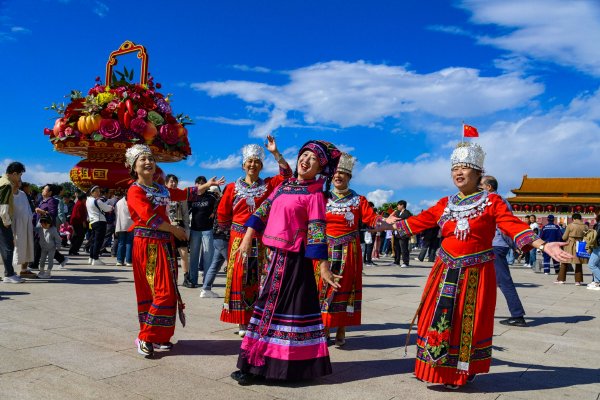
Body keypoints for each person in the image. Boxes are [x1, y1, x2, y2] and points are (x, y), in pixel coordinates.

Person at [393, 142, 571, 389]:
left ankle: (463, 370)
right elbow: (417, 222)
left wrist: (543, 244)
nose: (459, 172)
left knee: (468, 321)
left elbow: (512, 224)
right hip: (444, 270)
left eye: (465, 167)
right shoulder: (445, 202)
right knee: (436, 317)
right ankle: (432, 367)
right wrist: (381, 223)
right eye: (455, 167)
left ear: (478, 173)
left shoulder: (491, 201)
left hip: (475, 272)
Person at [230, 140, 341, 385]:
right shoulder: (284, 186)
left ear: (319, 168)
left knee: (276, 311)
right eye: (305, 155)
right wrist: (247, 237)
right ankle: (267, 365)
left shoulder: (315, 193)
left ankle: (264, 367)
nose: (306, 160)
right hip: (276, 258)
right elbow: (263, 210)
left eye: (313, 159)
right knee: (271, 310)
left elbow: (317, 230)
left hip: (294, 261)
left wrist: (323, 266)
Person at [125, 144, 225, 358]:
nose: (148, 162)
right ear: (134, 167)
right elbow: (148, 217)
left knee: (168, 293)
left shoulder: (162, 189)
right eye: (142, 159)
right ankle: (145, 336)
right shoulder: (134, 190)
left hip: (165, 244)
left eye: (150, 158)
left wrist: (208, 184)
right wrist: (176, 230)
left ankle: (160, 336)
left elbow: (185, 193)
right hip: (148, 245)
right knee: (161, 292)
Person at [316, 153, 398, 347]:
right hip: (325, 250)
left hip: (348, 250)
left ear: (349, 177)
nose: (338, 176)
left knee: (345, 288)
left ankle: (342, 327)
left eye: (343, 173)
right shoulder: (322, 197)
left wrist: (384, 222)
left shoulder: (358, 200)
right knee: (323, 288)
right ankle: (325, 327)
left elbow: (371, 219)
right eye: (336, 172)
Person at [218, 136, 292, 336]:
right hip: (238, 237)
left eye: (257, 162)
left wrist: (275, 153)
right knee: (239, 275)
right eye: (249, 161)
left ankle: (256, 317)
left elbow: (287, 175)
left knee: (259, 275)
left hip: (261, 238)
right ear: (243, 165)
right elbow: (223, 213)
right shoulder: (232, 188)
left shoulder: (268, 185)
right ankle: (241, 320)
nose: (253, 164)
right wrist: (230, 233)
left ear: (261, 165)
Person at [481, 175, 527, 327]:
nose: (478, 188)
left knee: (504, 281)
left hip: (495, 245)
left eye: (480, 185)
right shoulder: (500, 200)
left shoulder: (495, 201)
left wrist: (515, 245)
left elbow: (505, 226)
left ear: (489, 187)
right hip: (493, 245)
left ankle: (517, 315)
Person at [187, 175, 219, 288]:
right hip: (194, 230)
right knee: (194, 256)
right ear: (195, 185)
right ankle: (192, 280)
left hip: (208, 230)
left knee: (208, 256)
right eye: (198, 183)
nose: (200, 185)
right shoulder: (192, 197)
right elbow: (186, 211)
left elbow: (220, 203)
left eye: (202, 183)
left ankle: (207, 281)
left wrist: (214, 213)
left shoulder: (211, 196)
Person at [0, 162, 26, 283]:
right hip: (2, 220)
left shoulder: (1, 181)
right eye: (20, 175)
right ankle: (9, 274)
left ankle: (9, 273)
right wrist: (6, 221)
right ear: (14, 173)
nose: (20, 178)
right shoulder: (6, 184)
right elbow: (3, 206)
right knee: (8, 246)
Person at [33, 184, 67, 269]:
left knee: (39, 244)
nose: (42, 191)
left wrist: (41, 211)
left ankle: (34, 264)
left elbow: (53, 213)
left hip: (46, 227)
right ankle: (61, 259)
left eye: (44, 189)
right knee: (42, 245)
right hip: (40, 226)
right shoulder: (43, 201)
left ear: (50, 192)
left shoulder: (52, 201)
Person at [200, 186, 226, 298]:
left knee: (214, 265)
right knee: (234, 265)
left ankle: (206, 289)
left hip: (217, 237)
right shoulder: (225, 203)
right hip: (225, 237)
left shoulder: (218, 202)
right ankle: (235, 291)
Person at [165, 174, 191, 278]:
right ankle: (171, 277)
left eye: (175, 181)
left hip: (179, 225)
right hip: (166, 226)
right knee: (170, 254)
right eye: (171, 181)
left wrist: (187, 228)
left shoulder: (181, 195)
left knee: (184, 252)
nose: (174, 183)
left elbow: (185, 213)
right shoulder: (162, 195)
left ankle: (186, 276)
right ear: (166, 183)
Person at [86, 186, 114, 266]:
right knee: (98, 241)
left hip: (93, 222)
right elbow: (106, 209)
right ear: (92, 192)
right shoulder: (96, 201)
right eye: (96, 191)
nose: (98, 193)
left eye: (99, 191)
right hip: (99, 221)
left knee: (93, 240)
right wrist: (111, 207)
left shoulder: (88, 200)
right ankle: (96, 258)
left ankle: (91, 257)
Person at [12, 182, 35, 278]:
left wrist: (30, 218)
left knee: (27, 246)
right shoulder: (7, 193)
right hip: (12, 224)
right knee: (9, 249)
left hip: (26, 223)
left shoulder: (22, 194)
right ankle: (8, 272)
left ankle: (24, 270)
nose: (19, 181)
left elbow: (28, 208)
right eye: (18, 176)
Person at [556, 213, 587, 285]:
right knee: (579, 263)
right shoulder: (585, 226)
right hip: (580, 245)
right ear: (580, 218)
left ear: (573, 219)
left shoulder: (570, 225)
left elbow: (564, 237)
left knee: (564, 261)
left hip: (570, 244)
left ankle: (561, 279)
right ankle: (578, 281)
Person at [114, 195, 134, 266]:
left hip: (121, 224)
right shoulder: (132, 202)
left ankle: (119, 260)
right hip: (130, 224)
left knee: (121, 243)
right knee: (129, 243)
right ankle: (128, 261)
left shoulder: (118, 202)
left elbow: (116, 213)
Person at [392, 200, 412, 267]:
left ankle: (405, 262)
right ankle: (396, 261)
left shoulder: (407, 213)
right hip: (396, 232)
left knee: (404, 248)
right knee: (396, 247)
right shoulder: (397, 212)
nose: (397, 206)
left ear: (402, 205)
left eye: (398, 205)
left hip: (403, 232)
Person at [68, 192, 88, 256]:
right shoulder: (80, 204)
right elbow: (79, 215)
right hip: (77, 222)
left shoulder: (79, 203)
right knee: (80, 236)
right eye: (85, 198)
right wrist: (83, 222)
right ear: (83, 198)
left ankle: (72, 250)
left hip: (75, 222)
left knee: (76, 236)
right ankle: (74, 250)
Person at [586, 214, 600, 290]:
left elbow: (595, 236)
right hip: (598, 246)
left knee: (591, 264)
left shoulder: (599, 225)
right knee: (597, 265)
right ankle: (597, 282)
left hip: (598, 246)